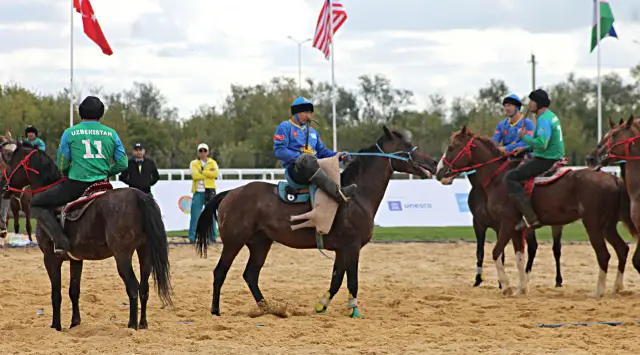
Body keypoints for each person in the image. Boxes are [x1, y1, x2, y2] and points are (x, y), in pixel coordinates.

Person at [30, 96, 128, 255]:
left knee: (36, 202)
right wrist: (106, 171)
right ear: (101, 113)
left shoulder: (70, 133)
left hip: (77, 185)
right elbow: (123, 163)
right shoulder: (111, 133)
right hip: (102, 184)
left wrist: (68, 172)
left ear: (81, 112)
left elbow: (62, 164)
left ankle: (60, 242)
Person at [273, 96, 356, 202]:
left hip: (314, 167)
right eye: (305, 112)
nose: (309, 116)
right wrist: (300, 158)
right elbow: (279, 151)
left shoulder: (313, 132)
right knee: (307, 159)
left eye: (310, 113)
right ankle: (338, 193)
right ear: (296, 112)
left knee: (317, 162)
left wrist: (338, 156)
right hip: (295, 170)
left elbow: (323, 152)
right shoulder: (284, 127)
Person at [504, 89, 565, 231]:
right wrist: (526, 149)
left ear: (538, 103)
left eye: (532, 101)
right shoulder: (551, 116)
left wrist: (524, 138)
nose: (529, 104)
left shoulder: (543, 119)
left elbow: (542, 144)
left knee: (511, 177)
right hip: (553, 155)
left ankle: (531, 218)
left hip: (546, 159)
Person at [188, 143, 218, 243]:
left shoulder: (212, 162)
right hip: (198, 192)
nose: (203, 153)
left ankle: (213, 237)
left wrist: (202, 172)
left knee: (212, 215)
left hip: (210, 191)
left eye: (204, 150)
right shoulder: (193, 163)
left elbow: (215, 174)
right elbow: (194, 176)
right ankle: (192, 237)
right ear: (198, 152)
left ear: (208, 152)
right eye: (201, 151)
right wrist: (207, 173)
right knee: (195, 215)